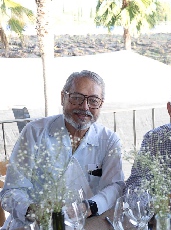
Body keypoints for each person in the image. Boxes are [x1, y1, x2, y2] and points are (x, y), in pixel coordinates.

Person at [0, 70, 125, 229]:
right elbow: (11, 192)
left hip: (85, 223)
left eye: (93, 100)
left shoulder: (108, 140)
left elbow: (115, 187)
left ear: (101, 104)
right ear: (63, 97)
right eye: (77, 98)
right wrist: (35, 212)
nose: (84, 107)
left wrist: (87, 207)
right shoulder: (35, 132)